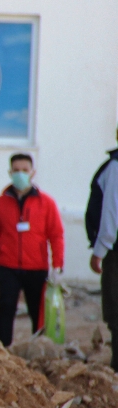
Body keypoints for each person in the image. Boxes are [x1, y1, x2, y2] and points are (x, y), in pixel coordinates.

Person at [0, 153, 64, 346]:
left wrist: (58, 266)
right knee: (6, 308)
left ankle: (39, 350)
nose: (20, 174)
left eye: (24, 170)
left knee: (38, 311)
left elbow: (56, 235)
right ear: (10, 172)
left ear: (33, 172)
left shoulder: (46, 203)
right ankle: (3, 351)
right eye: (16, 170)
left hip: (36, 267)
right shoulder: (0, 203)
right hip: (8, 266)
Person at [88, 136, 118, 369]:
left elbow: (110, 215)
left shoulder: (115, 167)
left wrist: (100, 250)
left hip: (115, 252)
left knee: (115, 309)